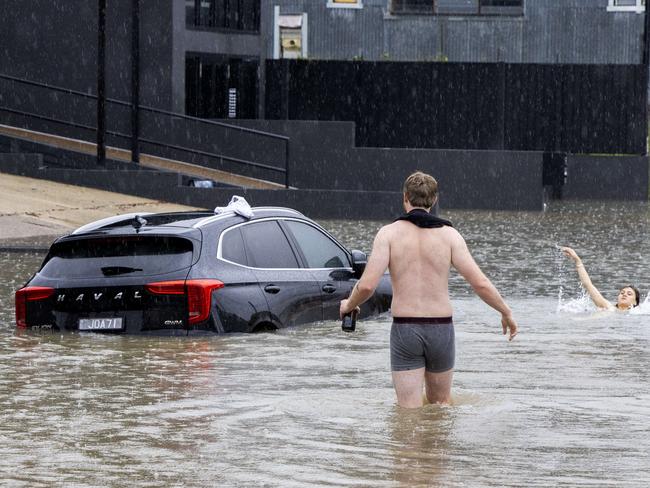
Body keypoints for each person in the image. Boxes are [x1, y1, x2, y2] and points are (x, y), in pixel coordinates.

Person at [340, 171, 518, 409]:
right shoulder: (450, 236)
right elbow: (480, 283)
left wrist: (348, 305)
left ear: (405, 197)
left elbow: (367, 285)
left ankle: (411, 448)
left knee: (408, 412)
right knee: (441, 407)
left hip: (406, 329)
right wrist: (505, 311)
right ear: (434, 200)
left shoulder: (389, 234)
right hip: (441, 329)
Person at [560, 247, 640, 311]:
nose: (624, 294)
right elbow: (588, 285)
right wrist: (577, 260)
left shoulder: (639, 314)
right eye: (622, 293)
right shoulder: (608, 307)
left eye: (629, 294)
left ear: (635, 302)